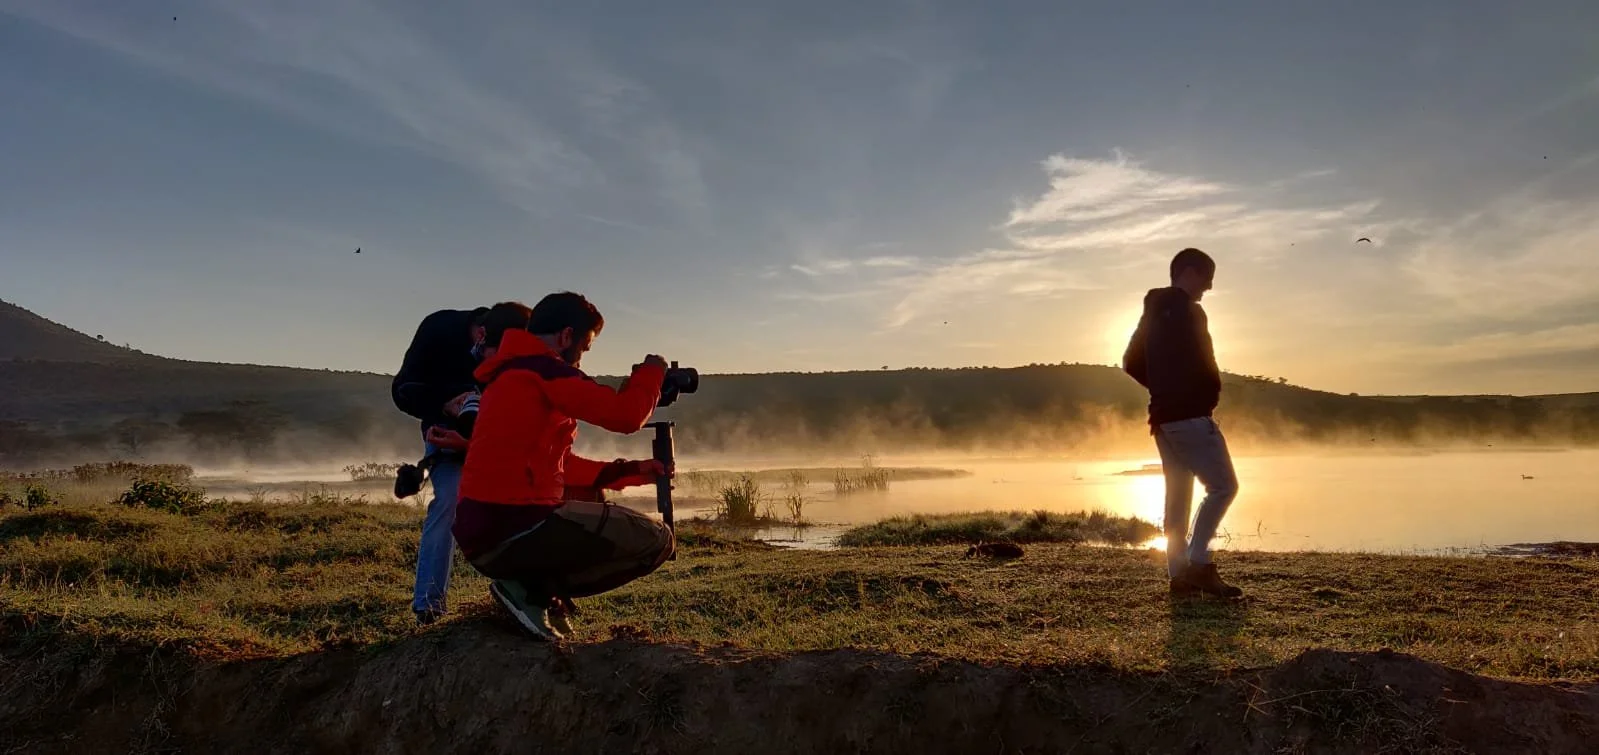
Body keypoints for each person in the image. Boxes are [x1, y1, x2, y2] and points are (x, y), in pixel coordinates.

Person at [454, 291, 676, 641]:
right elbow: (626, 415)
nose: (581, 359)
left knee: (588, 495)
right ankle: (533, 593)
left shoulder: (510, 375)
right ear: (566, 337)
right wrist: (654, 371)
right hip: (513, 528)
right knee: (658, 540)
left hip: (483, 534)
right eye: (585, 348)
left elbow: (557, 466)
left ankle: (535, 593)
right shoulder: (543, 370)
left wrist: (628, 472)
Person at [1122, 248, 1243, 599]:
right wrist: (1197, 394)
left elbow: (1130, 362)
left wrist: (1163, 390)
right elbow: (1205, 362)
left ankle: (1179, 577)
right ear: (1189, 272)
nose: (1209, 287)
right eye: (1207, 278)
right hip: (1189, 415)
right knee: (1223, 487)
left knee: (1177, 499)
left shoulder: (1153, 311)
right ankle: (1199, 565)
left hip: (1162, 418)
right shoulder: (1191, 312)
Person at [390, 304, 491, 625]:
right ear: (479, 331)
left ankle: (527, 595)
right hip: (445, 434)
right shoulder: (438, 329)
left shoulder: (512, 340)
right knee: (447, 501)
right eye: (483, 345)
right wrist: (446, 403)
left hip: (497, 438)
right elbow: (403, 389)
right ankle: (429, 605)